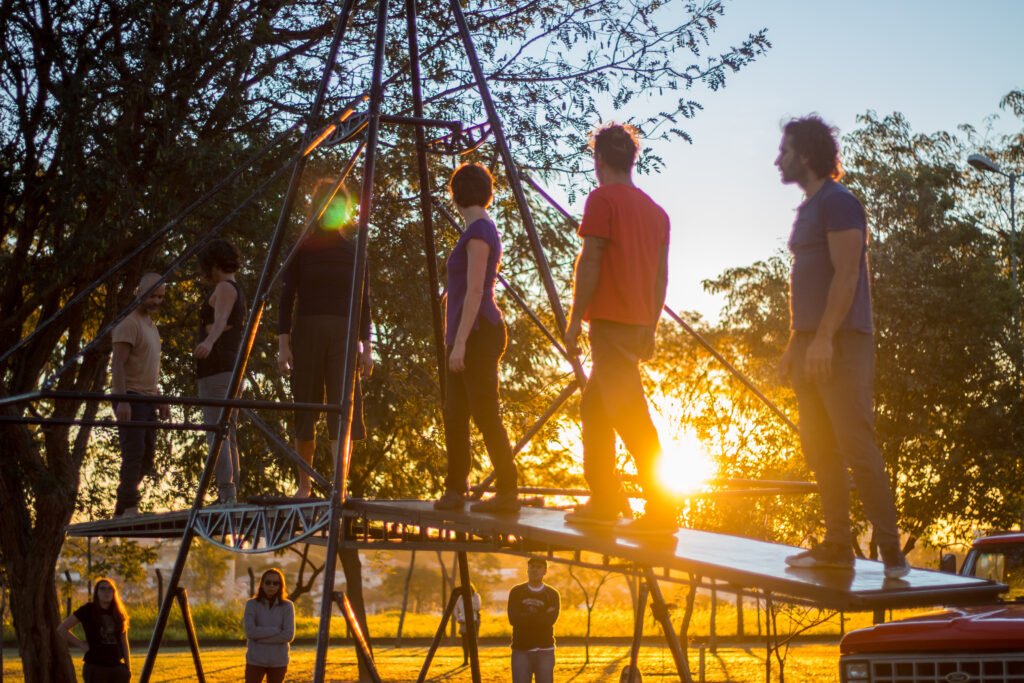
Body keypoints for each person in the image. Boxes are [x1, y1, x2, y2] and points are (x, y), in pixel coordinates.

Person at [773, 115, 909, 579]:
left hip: (842, 343)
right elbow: (807, 284)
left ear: (806, 155)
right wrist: (797, 342)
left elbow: (847, 274)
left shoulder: (840, 202)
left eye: (785, 150)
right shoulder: (810, 206)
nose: (778, 159)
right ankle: (836, 544)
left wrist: (825, 339)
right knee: (819, 448)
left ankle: (891, 554)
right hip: (812, 344)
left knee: (855, 442)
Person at [562, 123, 673, 535]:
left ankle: (661, 508)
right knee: (595, 407)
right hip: (638, 324)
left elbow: (589, 261)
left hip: (608, 324)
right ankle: (605, 499)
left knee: (631, 417)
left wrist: (575, 320)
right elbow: (662, 277)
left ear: (600, 161)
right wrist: (652, 325)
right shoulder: (656, 213)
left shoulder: (602, 200)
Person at [433, 162, 520, 514]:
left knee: (484, 412)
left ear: (455, 195)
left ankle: (508, 491)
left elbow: (474, 292)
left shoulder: (480, 231)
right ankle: (456, 489)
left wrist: (462, 343)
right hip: (464, 333)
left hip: (478, 333)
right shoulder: (474, 229)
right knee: (455, 414)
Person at [277, 180, 372, 498]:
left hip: (344, 335)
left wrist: (367, 347)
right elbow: (286, 298)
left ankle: (338, 488)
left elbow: (364, 302)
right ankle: (304, 486)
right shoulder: (299, 249)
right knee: (305, 408)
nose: (333, 211)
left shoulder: (354, 251)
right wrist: (283, 346)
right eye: (327, 204)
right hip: (307, 332)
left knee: (342, 407)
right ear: (317, 208)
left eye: (339, 206)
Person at [111, 272, 169, 518]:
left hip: (148, 399)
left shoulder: (151, 327)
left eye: (160, 296)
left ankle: (122, 507)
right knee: (133, 453)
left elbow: (147, 369)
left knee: (147, 458)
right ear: (139, 292)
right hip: (130, 396)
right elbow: (118, 365)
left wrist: (160, 398)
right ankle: (129, 507)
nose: (156, 301)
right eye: (152, 295)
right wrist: (122, 399)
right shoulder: (129, 323)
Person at [195, 239, 247, 506]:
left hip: (218, 369)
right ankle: (230, 493)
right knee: (226, 431)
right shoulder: (232, 287)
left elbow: (222, 321)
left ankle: (227, 494)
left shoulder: (225, 288)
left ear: (214, 265)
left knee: (217, 431)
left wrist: (207, 342)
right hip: (227, 368)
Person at [57, 578, 132, 683]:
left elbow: (124, 641)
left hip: (117, 667)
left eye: (110, 589)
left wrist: (127, 667)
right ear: (96, 593)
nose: (107, 592)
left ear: (114, 592)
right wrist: (83, 646)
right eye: (102, 589)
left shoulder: (118, 613)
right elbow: (62, 629)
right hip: (96, 667)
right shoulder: (88, 610)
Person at [507, 557, 559, 683]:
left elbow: (550, 620)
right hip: (521, 649)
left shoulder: (552, 594)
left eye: (539, 567)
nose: (535, 570)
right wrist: (542, 614)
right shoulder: (517, 592)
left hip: (545, 649)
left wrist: (524, 617)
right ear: (527, 570)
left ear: (545, 571)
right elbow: (513, 619)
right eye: (532, 567)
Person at [243, 568, 295, 683]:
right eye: (268, 582)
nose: (271, 586)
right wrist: (275, 630)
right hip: (255, 661)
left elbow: (288, 635)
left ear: (280, 586)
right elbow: (250, 632)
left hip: (278, 661)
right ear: (262, 584)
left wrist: (259, 638)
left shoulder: (288, 606)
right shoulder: (251, 604)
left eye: (275, 583)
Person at [454, 583, 482, 666]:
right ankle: (465, 660)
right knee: (464, 642)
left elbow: (478, 608)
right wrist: (458, 618)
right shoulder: (460, 598)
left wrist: (470, 600)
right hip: (463, 621)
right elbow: (455, 609)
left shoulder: (475, 596)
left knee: (472, 642)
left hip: (473, 621)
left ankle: (473, 660)